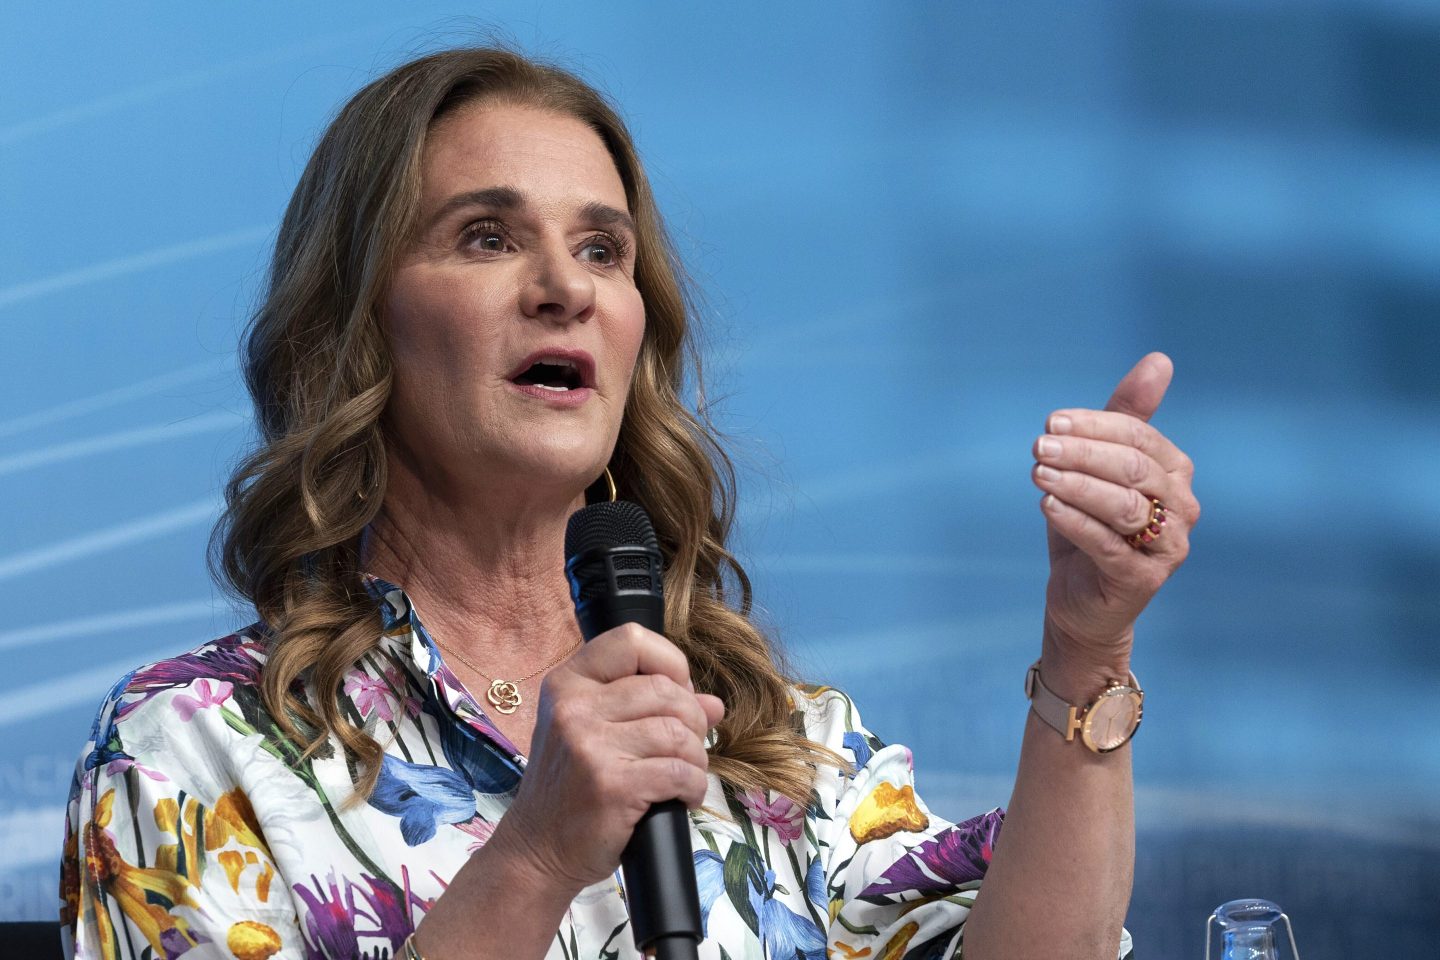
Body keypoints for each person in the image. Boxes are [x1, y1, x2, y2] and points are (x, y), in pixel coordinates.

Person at [59, 46, 1197, 960]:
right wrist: (534, 857)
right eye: (487, 237)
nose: (563, 287)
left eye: (603, 250)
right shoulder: (188, 754)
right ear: (359, 325)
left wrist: (1088, 646)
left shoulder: (773, 741)